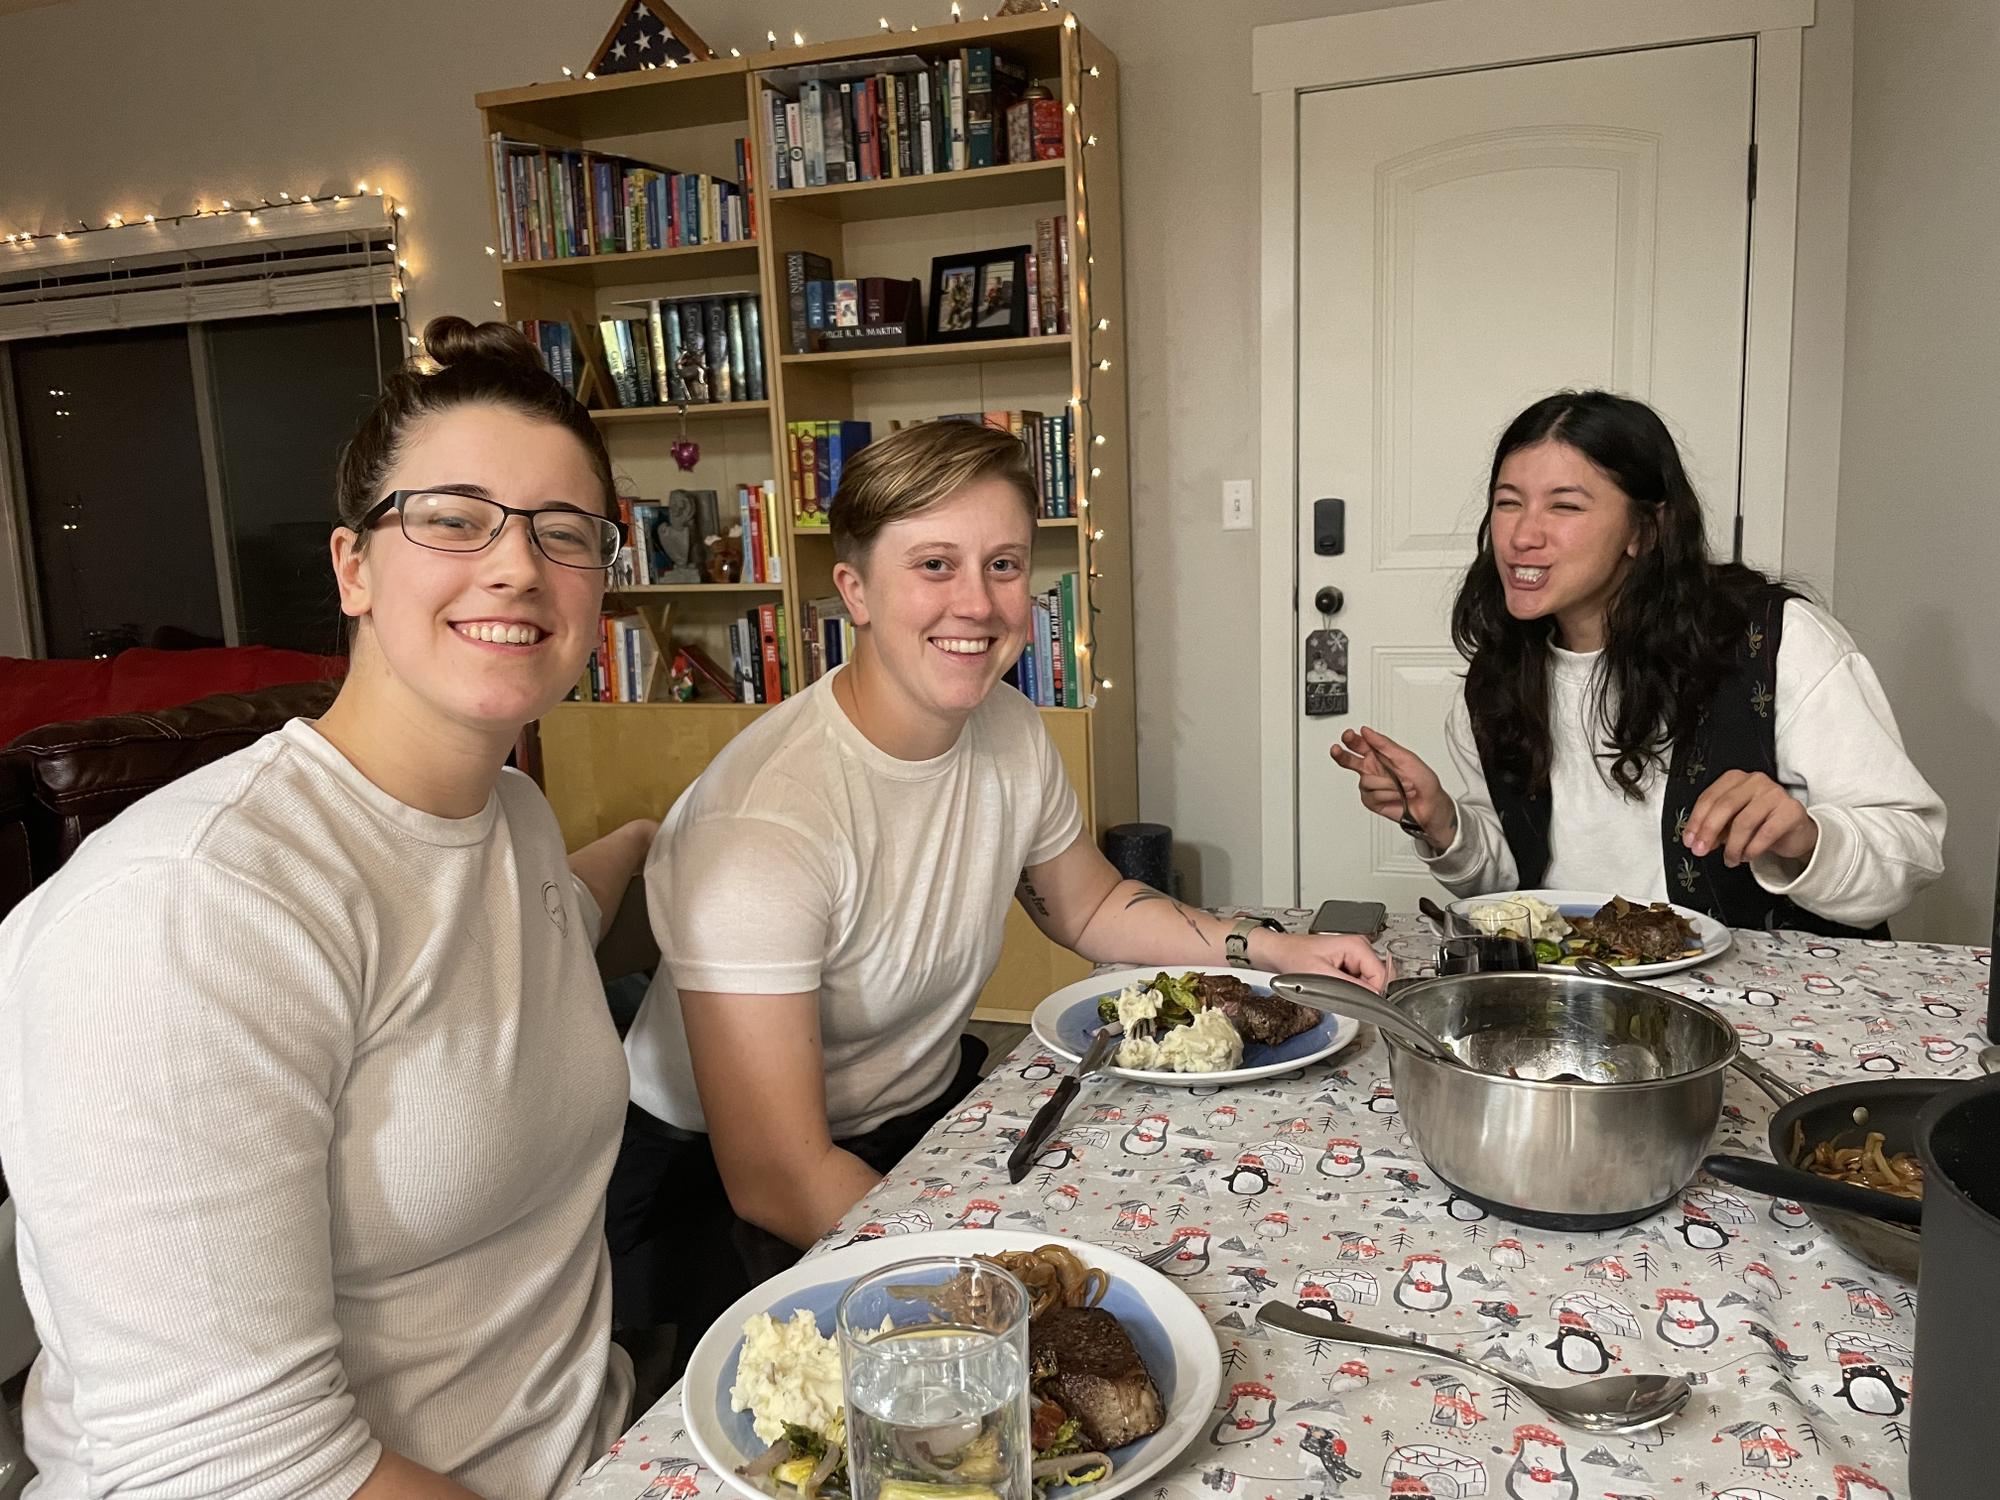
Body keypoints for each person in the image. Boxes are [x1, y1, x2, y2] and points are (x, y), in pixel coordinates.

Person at [0, 317, 658, 1498]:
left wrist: (661, 843)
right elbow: (238, 1470)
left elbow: (541, 920)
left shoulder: (503, 817)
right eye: (452, 519)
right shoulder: (188, 909)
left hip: (603, 1450)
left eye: (566, 535)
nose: (515, 565)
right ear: (353, 567)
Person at [611, 420, 1388, 1339]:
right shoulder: (769, 822)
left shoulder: (1011, 730)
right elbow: (778, 1174)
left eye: (1005, 565)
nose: (976, 604)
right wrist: (1003, 1292)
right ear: (854, 591)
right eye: (934, 565)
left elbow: (1094, 906)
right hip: (713, 1187)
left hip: (915, 1118)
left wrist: (1281, 951)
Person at [1332, 390, 1943, 936]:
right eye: (1508, 503)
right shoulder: (1497, 681)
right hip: (1579, 992)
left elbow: (1912, 855)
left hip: (1759, 1002)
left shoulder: (1776, 642)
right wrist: (1442, 823)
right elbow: (1514, 891)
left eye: (1565, 507)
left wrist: (1805, 839)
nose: (1522, 535)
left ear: (1645, 531)